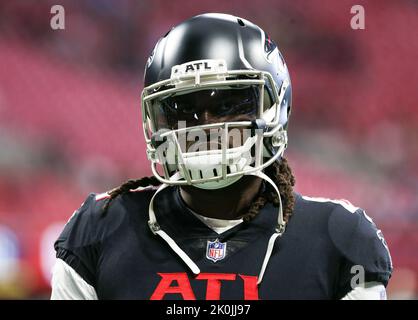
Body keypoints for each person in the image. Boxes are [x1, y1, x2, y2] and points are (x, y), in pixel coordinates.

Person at [50, 13, 392, 300]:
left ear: (275, 109)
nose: (207, 126)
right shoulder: (100, 230)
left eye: (228, 105)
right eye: (183, 109)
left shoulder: (339, 238)